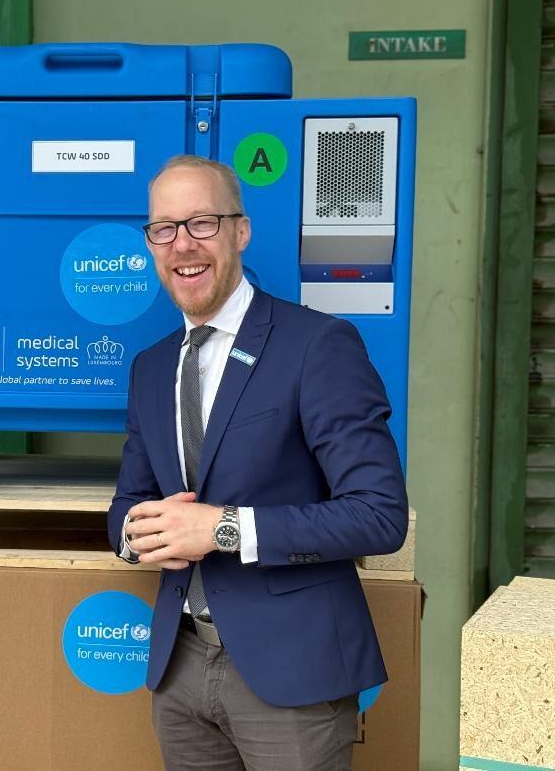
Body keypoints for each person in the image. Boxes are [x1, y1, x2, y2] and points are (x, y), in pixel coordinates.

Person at [108, 155, 408, 770]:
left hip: (292, 674)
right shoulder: (150, 368)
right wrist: (138, 538)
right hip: (181, 665)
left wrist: (219, 528)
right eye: (164, 228)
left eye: (202, 223)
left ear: (241, 231)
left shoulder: (318, 345)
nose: (182, 245)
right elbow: (125, 510)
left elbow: (379, 516)